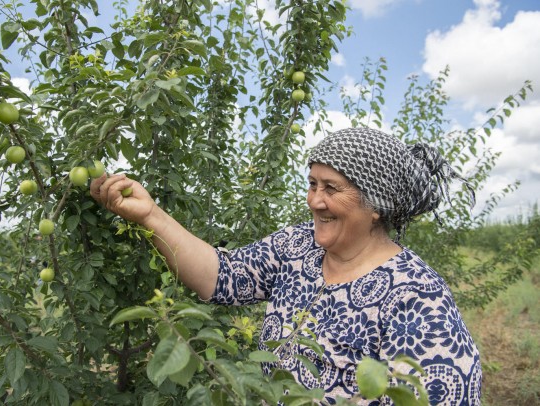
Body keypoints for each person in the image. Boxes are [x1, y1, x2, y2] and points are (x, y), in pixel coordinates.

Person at [90, 127, 482, 405]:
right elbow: (222, 276)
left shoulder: (415, 292)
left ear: (376, 206)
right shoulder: (298, 246)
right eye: (312, 184)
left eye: (331, 188)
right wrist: (150, 215)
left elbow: (447, 391)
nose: (315, 200)